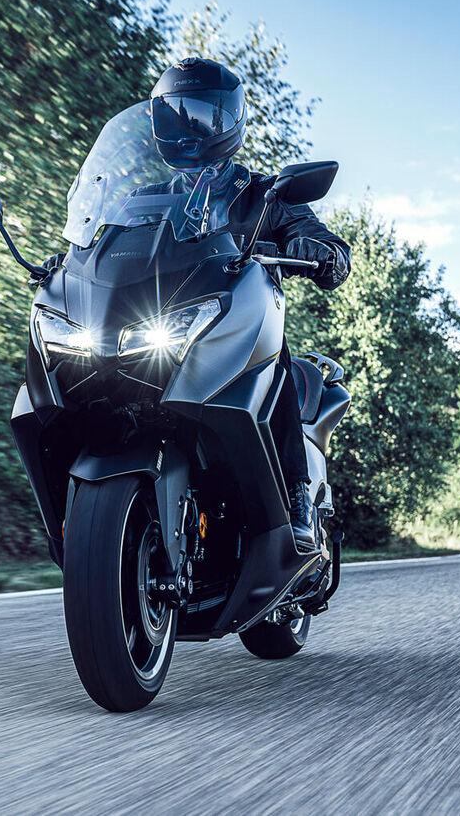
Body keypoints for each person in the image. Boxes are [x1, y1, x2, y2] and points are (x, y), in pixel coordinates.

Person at [149, 57, 351, 553]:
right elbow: (104, 242)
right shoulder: (149, 200)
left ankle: (297, 496)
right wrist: (74, 258)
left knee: (273, 360)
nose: (188, 127)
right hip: (164, 333)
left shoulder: (266, 195)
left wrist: (320, 252)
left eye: (199, 114)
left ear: (228, 119)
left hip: (237, 334)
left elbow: (332, 250)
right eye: (175, 114)